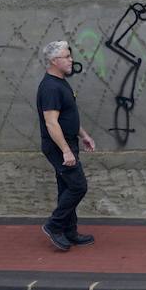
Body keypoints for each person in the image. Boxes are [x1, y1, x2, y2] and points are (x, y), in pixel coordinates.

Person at [37, 40, 96, 251]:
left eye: (70, 55)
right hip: (58, 147)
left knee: (66, 188)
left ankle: (69, 231)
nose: (71, 60)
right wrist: (65, 150)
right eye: (66, 57)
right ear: (54, 61)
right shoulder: (50, 87)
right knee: (79, 186)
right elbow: (51, 123)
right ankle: (54, 226)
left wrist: (84, 135)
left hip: (68, 143)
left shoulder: (60, 82)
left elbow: (67, 116)